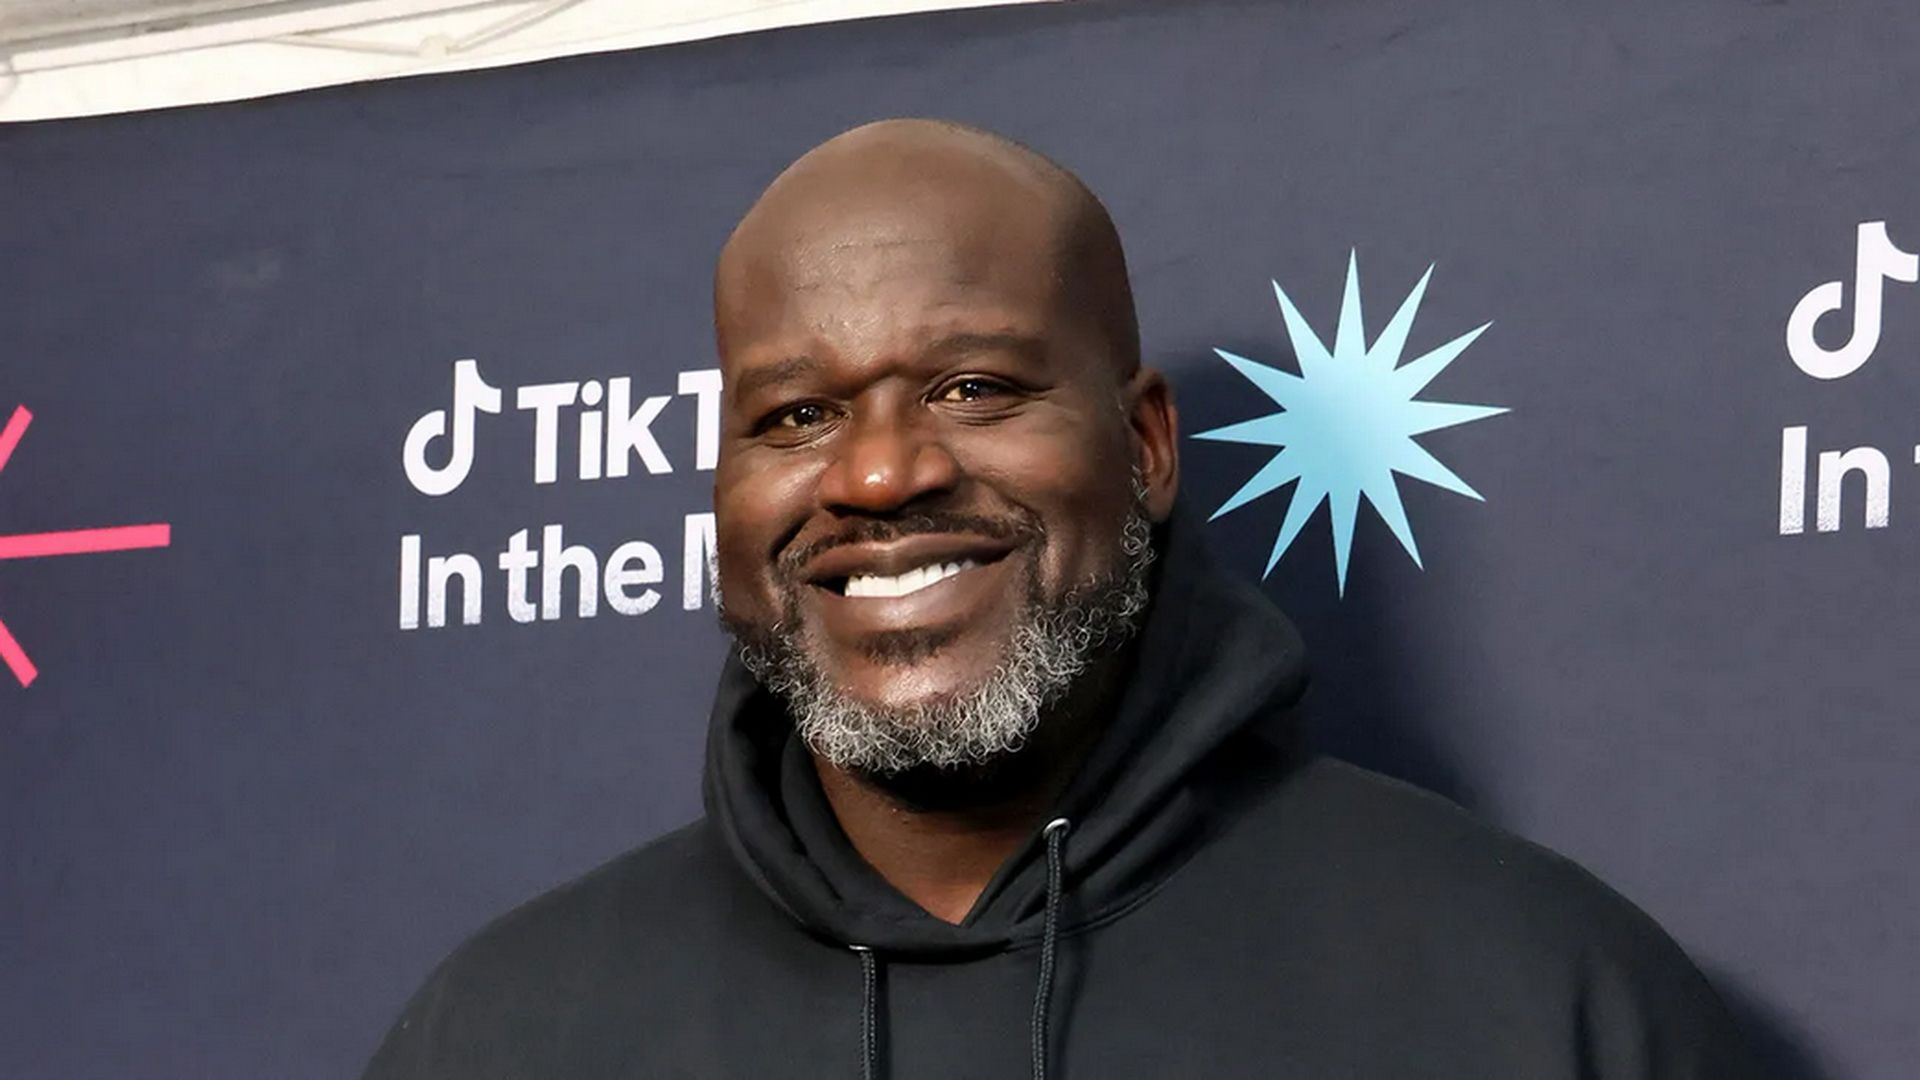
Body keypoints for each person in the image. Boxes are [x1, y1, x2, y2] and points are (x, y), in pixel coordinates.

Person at [364, 119, 1755, 1079]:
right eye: (795, 415)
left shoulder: (1534, 996)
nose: (879, 473)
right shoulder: (500, 1035)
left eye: (973, 387)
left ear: (1144, 447)